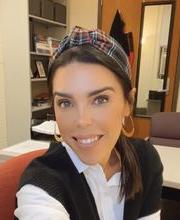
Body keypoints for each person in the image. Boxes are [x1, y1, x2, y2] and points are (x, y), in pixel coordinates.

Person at [14, 26, 163, 220]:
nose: (82, 121)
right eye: (65, 102)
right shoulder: (40, 187)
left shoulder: (145, 160)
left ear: (128, 102)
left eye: (100, 99)